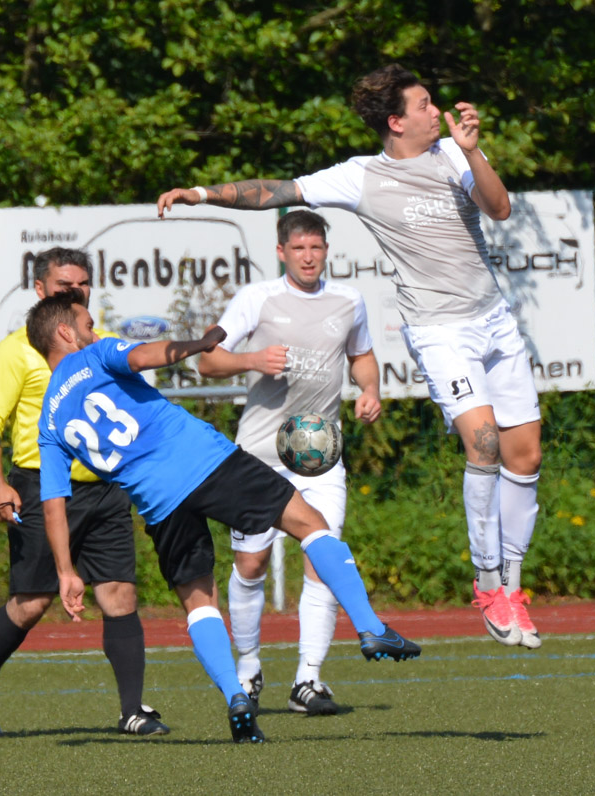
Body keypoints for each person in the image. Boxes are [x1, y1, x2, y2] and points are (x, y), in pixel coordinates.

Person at [157, 64, 543, 649]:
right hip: (439, 329)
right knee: (484, 442)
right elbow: (277, 192)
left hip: (494, 319)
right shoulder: (360, 176)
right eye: (424, 104)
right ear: (395, 121)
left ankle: (512, 583)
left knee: (525, 454)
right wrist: (202, 194)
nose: (436, 112)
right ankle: (488, 582)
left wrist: (473, 151)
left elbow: (500, 208)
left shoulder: (454, 153)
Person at [26, 290, 420, 743]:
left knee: (199, 602)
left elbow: (53, 502)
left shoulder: (49, 422)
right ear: (65, 333)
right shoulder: (94, 355)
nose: (94, 332)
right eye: (87, 325)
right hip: (207, 463)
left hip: (158, 503)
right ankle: (370, 627)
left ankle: (236, 694)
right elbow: (144, 356)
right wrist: (197, 345)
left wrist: (65, 571)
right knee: (310, 524)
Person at [0, 247, 167, 739]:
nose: (74, 292)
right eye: (63, 285)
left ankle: (132, 710)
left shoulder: (103, 343)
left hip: (105, 488)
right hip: (41, 489)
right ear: (40, 290)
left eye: (81, 284)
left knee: (119, 593)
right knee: (32, 603)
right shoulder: (18, 349)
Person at [197, 209, 381, 717]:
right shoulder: (256, 298)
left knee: (324, 560)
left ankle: (309, 679)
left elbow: (362, 355)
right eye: (298, 248)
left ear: (326, 251)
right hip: (257, 456)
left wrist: (370, 389)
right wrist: (251, 360)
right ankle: (249, 666)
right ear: (281, 252)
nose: (307, 257)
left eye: (315, 248)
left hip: (319, 456)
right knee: (250, 564)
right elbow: (207, 359)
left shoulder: (348, 300)